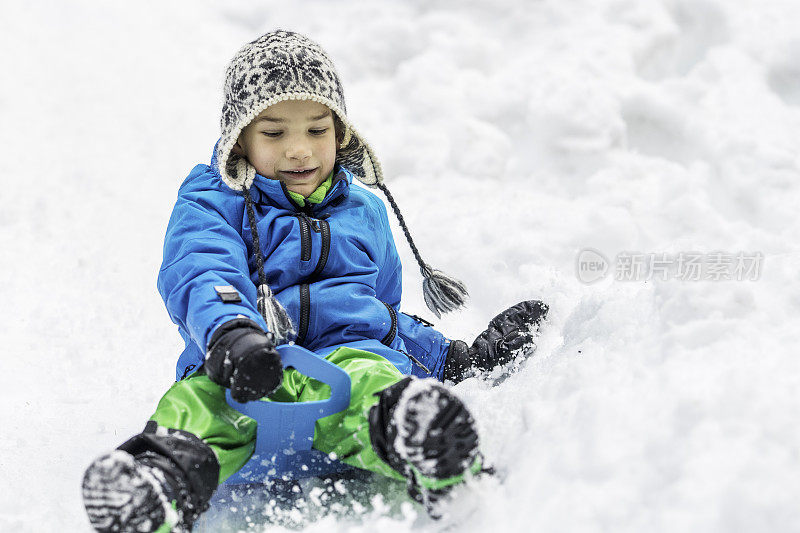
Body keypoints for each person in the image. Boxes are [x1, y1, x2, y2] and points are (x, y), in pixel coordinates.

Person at [81, 30, 548, 532]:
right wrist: (232, 333)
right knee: (196, 406)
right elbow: (201, 266)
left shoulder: (364, 212)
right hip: (243, 374)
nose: (299, 151)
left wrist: (454, 358)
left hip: (342, 376)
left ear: (342, 134)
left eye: (317, 131)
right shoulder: (214, 200)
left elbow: (378, 317)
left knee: (373, 377)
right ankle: (157, 487)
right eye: (275, 133)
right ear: (241, 139)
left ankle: (421, 440)